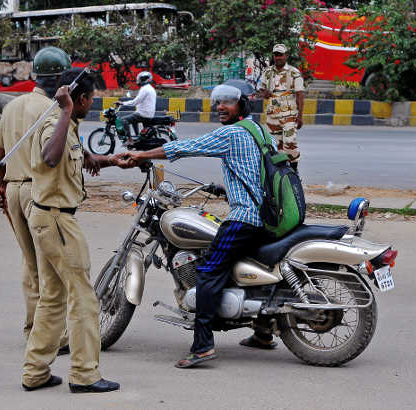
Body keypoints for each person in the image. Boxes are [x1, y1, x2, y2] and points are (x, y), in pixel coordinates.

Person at [124, 80, 276, 368]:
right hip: (265, 216)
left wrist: (143, 154)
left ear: (242, 104)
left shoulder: (231, 133)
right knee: (239, 268)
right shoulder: (260, 131)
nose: (220, 107)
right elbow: (256, 169)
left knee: (207, 272)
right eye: (217, 102)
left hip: (245, 218)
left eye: (228, 102)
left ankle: (203, 345)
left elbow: (188, 147)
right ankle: (264, 332)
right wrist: (225, 188)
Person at [22, 68, 129, 393]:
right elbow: (51, 157)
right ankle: (84, 374)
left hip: (49, 218)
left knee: (53, 297)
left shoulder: (67, 123)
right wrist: (67, 111)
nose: (91, 105)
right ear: (79, 99)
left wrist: (106, 160)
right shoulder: (57, 121)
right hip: (57, 220)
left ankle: (35, 372)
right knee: (84, 298)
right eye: (90, 100)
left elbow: (72, 157)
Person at [0, 46, 71, 355]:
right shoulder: (53, 109)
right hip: (38, 192)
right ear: (57, 79)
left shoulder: (13, 106)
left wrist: (2, 190)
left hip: (13, 189)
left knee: (31, 266)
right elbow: (55, 157)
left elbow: (0, 153)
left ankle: (32, 328)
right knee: (51, 267)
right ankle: (52, 336)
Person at [257, 43, 305, 171]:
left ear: (286, 56)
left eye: (281, 55)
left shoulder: (294, 72)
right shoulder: (267, 72)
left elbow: (300, 94)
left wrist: (300, 116)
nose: (278, 57)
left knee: (290, 142)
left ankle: (294, 170)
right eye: (276, 55)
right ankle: (281, 174)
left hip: (289, 114)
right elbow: (260, 90)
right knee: (275, 145)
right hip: (272, 115)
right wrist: (264, 93)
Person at [116, 71, 156, 140]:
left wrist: (123, 103)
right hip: (148, 113)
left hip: (143, 114)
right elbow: (139, 100)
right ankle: (138, 137)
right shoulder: (149, 88)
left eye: (141, 79)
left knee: (123, 120)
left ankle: (129, 140)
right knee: (134, 116)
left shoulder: (145, 89)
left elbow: (134, 102)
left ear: (145, 79)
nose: (139, 80)